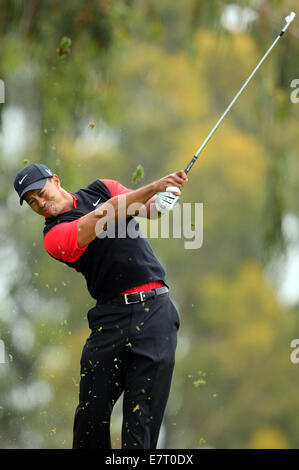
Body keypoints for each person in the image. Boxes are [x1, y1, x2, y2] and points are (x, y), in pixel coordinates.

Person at [13, 163, 188, 449]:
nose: (41, 204)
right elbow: (101, 217)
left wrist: (163, 199)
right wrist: (154, 187)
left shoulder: (101, 188)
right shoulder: (53, 237)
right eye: (32, 203)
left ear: (56, 181)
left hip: (156, 313)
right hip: (111, 321)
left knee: (141, 420)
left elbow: (145, 209)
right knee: (91, 417)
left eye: (41, 194)